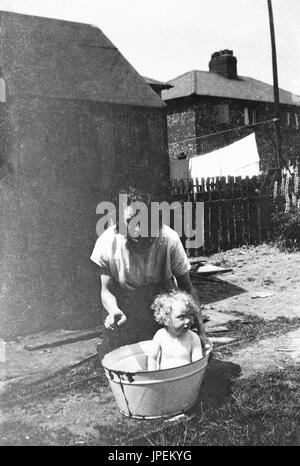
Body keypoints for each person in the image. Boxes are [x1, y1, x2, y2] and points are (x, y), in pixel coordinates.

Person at [90, 187, 210, 357]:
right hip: (124, 303)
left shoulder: (168, 239)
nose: (137, 230)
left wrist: (203, 335)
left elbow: (188, 290)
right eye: (130, 221)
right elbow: (106, 290)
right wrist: (114, 310)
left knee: (167, 354)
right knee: (116, 357)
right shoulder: (108, 242)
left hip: (160, 301)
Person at [147, 291, 203, 370]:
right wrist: (152, 376)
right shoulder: (160, 335)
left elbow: (198, 362)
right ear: (166, 319)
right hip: (164, 378)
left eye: (189, 315)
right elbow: (152, 358)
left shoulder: (193, 337)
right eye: (181, 317)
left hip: (187, 377)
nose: (187, 320)